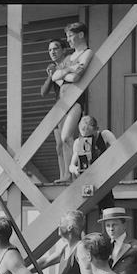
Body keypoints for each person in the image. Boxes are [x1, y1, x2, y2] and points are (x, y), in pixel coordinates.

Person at [51, 22, 94, 183]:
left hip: (75, 100)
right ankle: (68, 174)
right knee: (61, 141)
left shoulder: (86, 53)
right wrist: (69, 69)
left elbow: (77, 77)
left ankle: (72, 173)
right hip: (63, 100)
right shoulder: (70, 58)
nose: (68, 40)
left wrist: (65, 73)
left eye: (70, 35)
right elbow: (54, 76)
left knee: (66, 137)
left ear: (81, 35)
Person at [69, 115, 117, 210]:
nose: (87, 140)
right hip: (86, 181)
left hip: (103, 179)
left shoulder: (105, 135)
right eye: (84, 137)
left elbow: (118, 149)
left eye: (90, 136)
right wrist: (75, 170)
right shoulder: (78, 142)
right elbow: (71, 166)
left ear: (96, 129)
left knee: (107, 209)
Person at [41, 38, 71, 181]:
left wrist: (57, 73)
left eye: (55, 48)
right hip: (58, 110)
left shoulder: (68, 63)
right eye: (50, 50)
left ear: (63, 50)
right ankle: (62, 175)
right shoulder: (53, 69)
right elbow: (43, 92)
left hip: (69, 107)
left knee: (66, 141)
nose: (52, 52)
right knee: (58, 146)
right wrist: (50, 76)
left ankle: (68, 175)